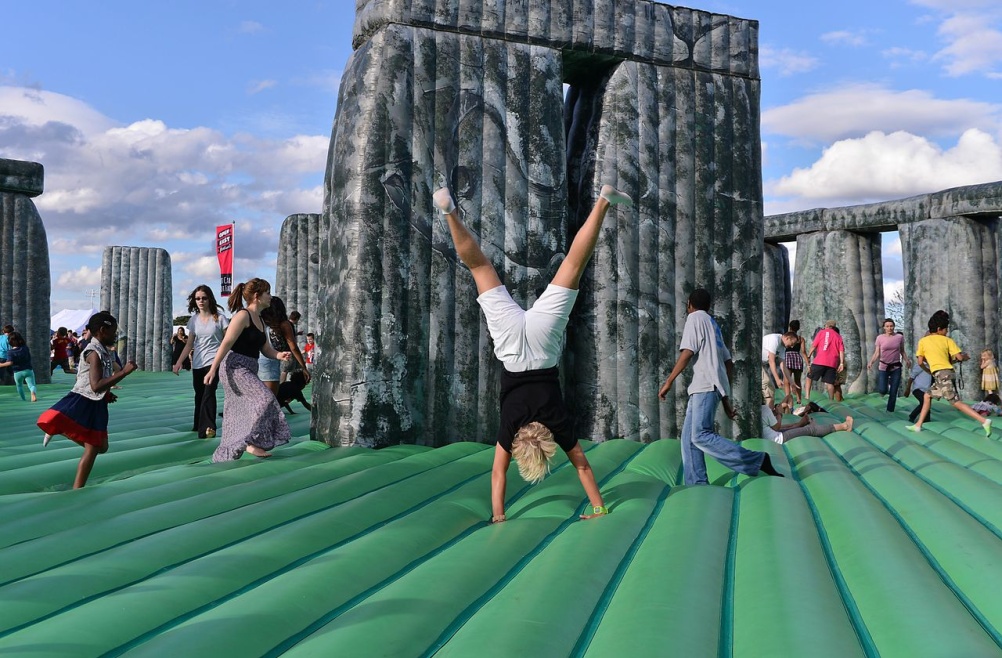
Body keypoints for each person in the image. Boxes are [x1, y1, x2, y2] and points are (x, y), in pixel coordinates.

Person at [434, 184, 631, 523]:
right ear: (520, 448)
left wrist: (598, 508)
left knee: (572, 265)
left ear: (545, 442)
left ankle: (602, 201)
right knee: (480, 268)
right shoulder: (510, 427)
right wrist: (499, 514)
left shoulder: (558, 422)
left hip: (542, 344)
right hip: (511, 345)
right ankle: (449, 211)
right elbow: (499, 476)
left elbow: (582, 466)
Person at [659, 288, 783, 485]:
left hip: (704, 386)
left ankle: (757, 460)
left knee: (700, 435)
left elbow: (688, 352)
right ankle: (697, 483)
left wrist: (669, 381)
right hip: (711, 387)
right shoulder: (712, 324)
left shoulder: (695, 319)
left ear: (690, 304)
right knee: (688, 439)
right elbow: (728, 363)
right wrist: (725, 398)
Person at [36, 312, 138, 488]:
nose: (115, 336)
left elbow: (99, 384)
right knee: (93, 447)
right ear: (102, 330)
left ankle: (61, 429)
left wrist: (107, 393)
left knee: (102, 447)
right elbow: (96, 385)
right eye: (113, 332)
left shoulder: (104, 351)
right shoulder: (93, 352)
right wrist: (123, 372)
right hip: (84, 400)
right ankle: (77, 488)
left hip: (96, 401)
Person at [204, 278, 294, 461]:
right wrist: (212, 369)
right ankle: (251, 443)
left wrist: (279, 355)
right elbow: (226, 343)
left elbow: (265, 348)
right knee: (266, 398)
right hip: (235, 367)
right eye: (267, 293)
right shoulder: (242, 316)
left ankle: (240, 445)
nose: (270, 296)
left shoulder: (260, 320)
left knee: (239, 410)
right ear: (256, 296)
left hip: (249, 367)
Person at [908, 311, 992, 435]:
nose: (947, 331)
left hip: (941, 374)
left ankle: (983, 421)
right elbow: (958, 357)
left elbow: (920, 361)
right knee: (927, 396)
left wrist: (928, 370)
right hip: (945, 373)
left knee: (954, 402)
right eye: (945, 329)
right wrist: (964, 357)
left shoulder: (923, 341)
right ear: (939, 329)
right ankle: (918, 425)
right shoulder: (947, 340)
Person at [173, 285, 229, 438]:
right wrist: (179, 362)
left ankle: (209, 427)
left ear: (209, 298)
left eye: (204, 298)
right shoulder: (194, 320)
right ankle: (198, 423)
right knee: (199, 394)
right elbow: (190, 344)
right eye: (198, 298)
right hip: (198, 362)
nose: (201, 301)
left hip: (214, 361)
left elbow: (227, 341)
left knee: (209, 393)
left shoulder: (220, 318)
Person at [259, 296, 310, 395]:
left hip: (259, 360)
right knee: (271, 397)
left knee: (262, 396)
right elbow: (293, 347)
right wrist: (304, 367)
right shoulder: (283, 324)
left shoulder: (261, 321)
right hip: (271, 363)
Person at [867, 319, 909, 412]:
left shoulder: (899, 337)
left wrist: (907, 360)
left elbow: (902, 351)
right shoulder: (880, 338)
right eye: (887, 326)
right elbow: (877, 353)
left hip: (896, 366)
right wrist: (871, 362)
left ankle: (890, 410)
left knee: (893, 391)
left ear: (894, 326)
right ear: (884, 328)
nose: (889, 328)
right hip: (884, 366)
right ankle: (885, 389)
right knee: (882, 389)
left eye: (891, 326)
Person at [761, 402, 853, 443]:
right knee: (810, 430)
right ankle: (844, 426)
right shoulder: (763, 409)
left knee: (793, 427)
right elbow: (776, 427)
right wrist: (779, 415)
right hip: (777, 439)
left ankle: (801, 424)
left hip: (772, 436)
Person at [804, 321, 845, 401]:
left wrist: (808, 355)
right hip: (832, 363)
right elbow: (841, 351)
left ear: (826, 325)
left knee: (809, 378)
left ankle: (807, 397)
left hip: (819, 360)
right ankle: (830, 400)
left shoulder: (821, 332)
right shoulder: (838, 336)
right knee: (830, 383)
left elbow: (814, 345)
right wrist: (841, 363)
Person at [762, 332, 798, 408]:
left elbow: (783, 366)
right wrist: (777, 379)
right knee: (768, 387)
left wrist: (792, 382)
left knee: (770, 389)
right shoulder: (775, 340)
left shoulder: (783, 346)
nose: (792, 347)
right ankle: (769, 414)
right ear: (787, 338)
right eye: (792, 343)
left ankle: (769, 411)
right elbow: (771, 361)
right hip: (754, 362)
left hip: (761, 365)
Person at [0, 331, 37, 401]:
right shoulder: (25, 348)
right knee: (32, 385)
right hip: (28, 370)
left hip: (17, 372)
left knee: (19, 386)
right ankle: (33, 393)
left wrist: (1, 365)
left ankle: (23, 399)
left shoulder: (10, 352)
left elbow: (10, 363)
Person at [785, 320, 808, 404]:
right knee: (797, 380)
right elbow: (803, 352)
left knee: (787, 380)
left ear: (790, 327)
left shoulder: (786, 336)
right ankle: (799, 399)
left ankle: (788, 397)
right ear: (798, 328)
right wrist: (808, 364)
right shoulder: (800, 338)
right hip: (797, 358)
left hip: (787, 357)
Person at [904, 359, 934, 424]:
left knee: (927, 405)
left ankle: (926, 420)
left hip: (927, 390)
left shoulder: (931, 365)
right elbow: (911, 377)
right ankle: (912, 416)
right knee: (924, 403)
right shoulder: (920, 365)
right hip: (918, 389)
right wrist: (908, 389)